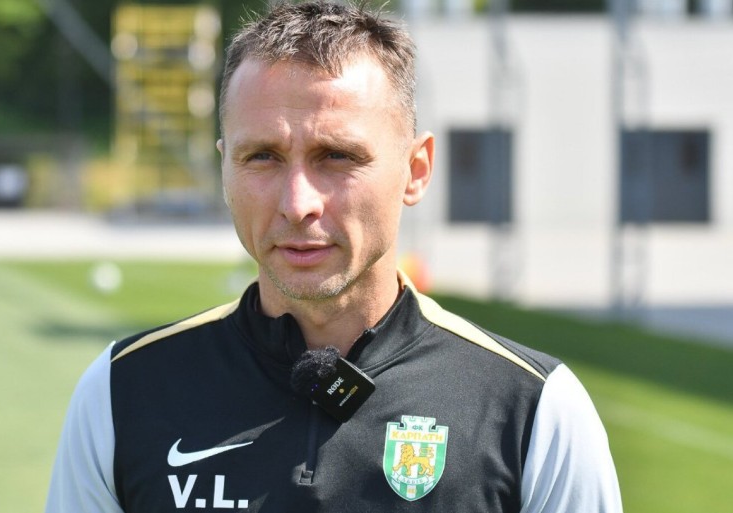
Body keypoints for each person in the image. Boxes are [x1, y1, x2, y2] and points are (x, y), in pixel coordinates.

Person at [45, 2, 622, 512]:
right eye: (262, 157)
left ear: (415, 170)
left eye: (337, 156)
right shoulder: (123, 392)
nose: (298, 204)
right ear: (225, 167)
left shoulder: (533, 410)